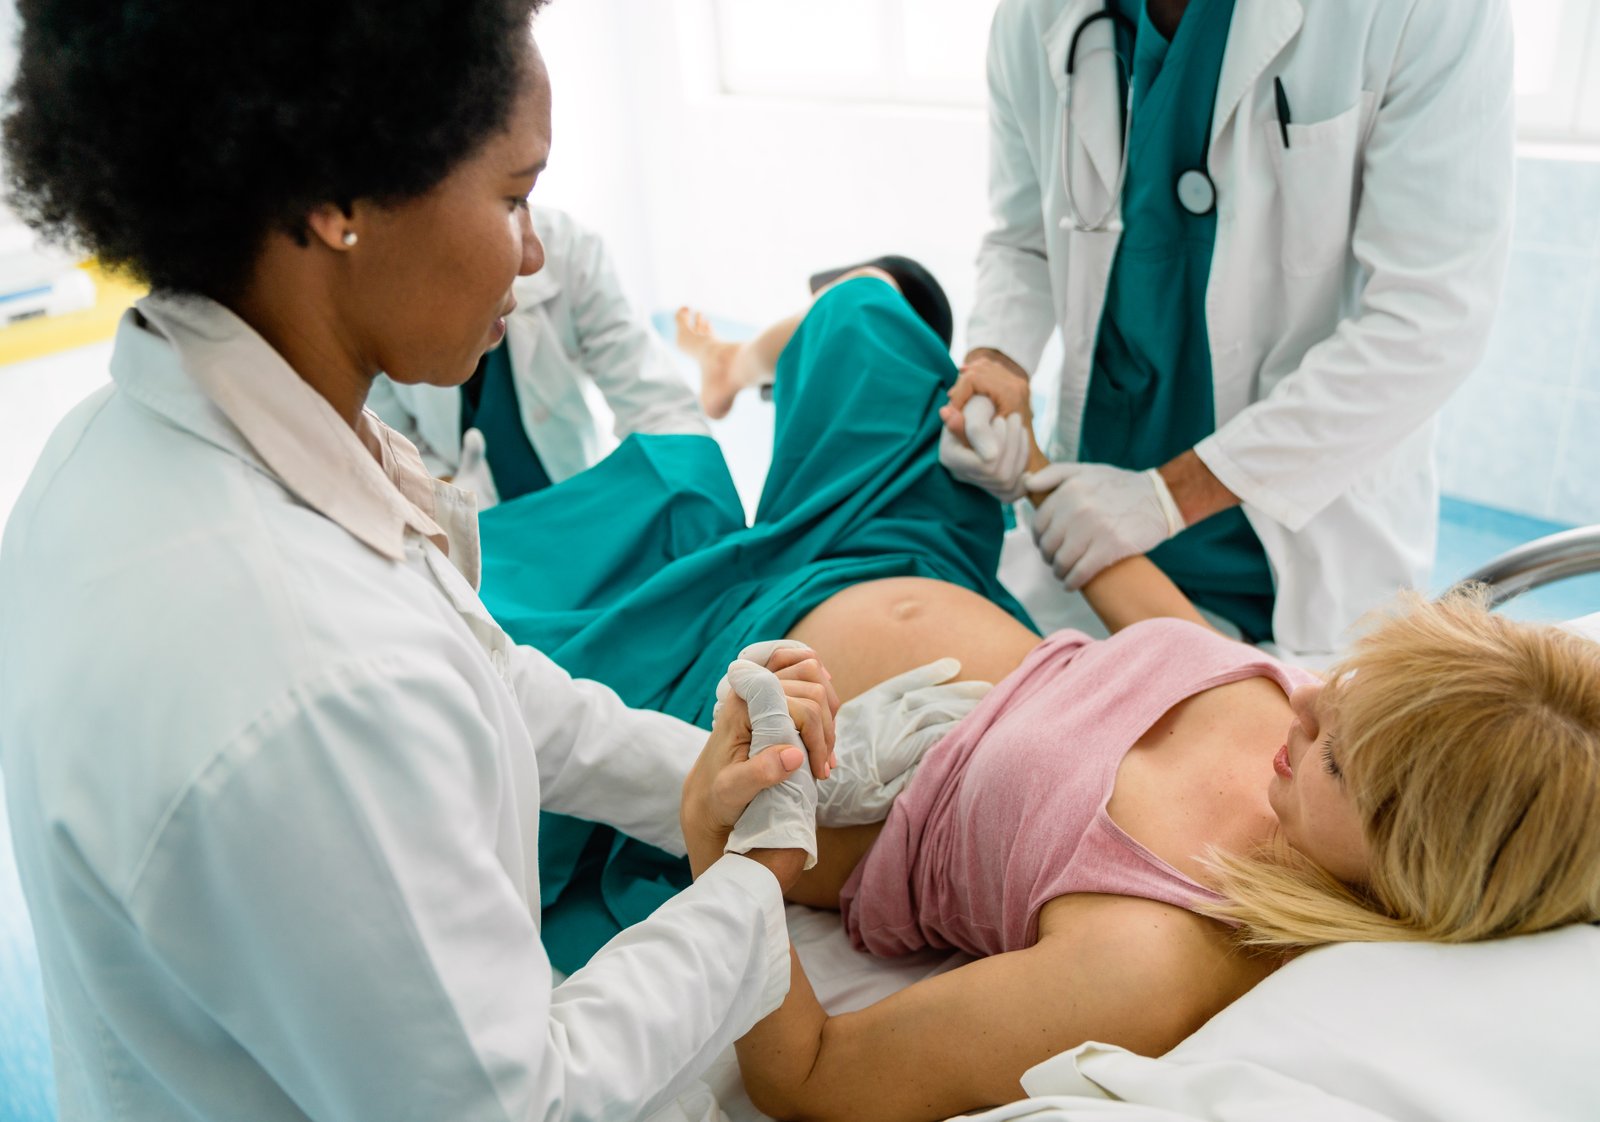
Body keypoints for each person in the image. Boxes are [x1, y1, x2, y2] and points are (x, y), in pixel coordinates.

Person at [495, 274, 1600, 1122]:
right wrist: (1035, 475)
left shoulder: (1158, 951)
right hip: (910, 558)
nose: (1304, 709)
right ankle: (735, 371)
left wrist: (719, 847)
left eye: (1335, 756)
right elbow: (1179, 636)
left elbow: (816, 1076)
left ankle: (704, 470)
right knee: (869, 312)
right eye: (1339, 689)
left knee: (555, 579)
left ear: (1409, 860)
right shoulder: (1316, 731)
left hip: (721, 666)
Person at [0, 3, 838, 1120]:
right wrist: (746, 891)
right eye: (513, 197)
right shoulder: (305, 676)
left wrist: (704, 776)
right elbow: (516, 1104)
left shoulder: (118, 445)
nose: (533, 252)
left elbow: (490, 684)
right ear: (339, 199)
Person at [942, 0, 1516, 657]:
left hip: (1303, 563)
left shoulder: (1425, 12)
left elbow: (1431, 317)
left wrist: (1168, 497)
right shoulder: (1034, 17)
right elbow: (1023, 238)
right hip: (1090, 538)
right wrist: (997, 361)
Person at [366, 204, 709, 507]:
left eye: (524, 197)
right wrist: (451, 505)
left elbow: (657, 408)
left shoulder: (568, 250)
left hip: (584, 501)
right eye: (510, 198)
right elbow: (393, 449)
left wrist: (686, 505)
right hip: (478, 535)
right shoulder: (373, 304)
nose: (534, 259)